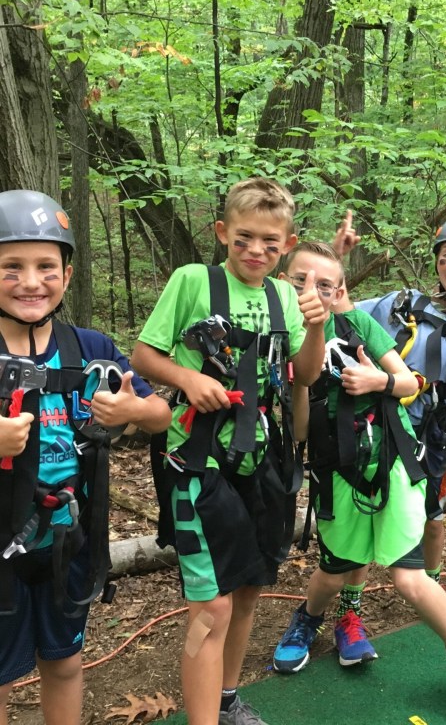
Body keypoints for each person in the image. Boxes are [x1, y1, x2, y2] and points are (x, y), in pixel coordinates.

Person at [273, 241, 446, 725]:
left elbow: (411, 382)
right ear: (281, 281)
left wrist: (378, 382)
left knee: (408, 578)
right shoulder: (275, 335)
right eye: (299, 281)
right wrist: (299, 386)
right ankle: (307, 622)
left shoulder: (358, 327)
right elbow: (300, 432)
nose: (311, 291)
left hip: (390, 463)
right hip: (335, 472)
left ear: (340, 291)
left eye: (325, 284)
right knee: (334, 570)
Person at [131, 178, 326, 725]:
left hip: (263, 460)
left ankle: (226, 699)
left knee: (247, 590)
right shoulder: (194, 280)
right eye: (243, 238)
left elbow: (305, 376)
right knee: (210, 606)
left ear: (287, 244)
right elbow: (144, 354)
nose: (255, 251)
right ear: (222, 233)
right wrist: (187, 378)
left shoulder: (286, 295)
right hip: (198, 462)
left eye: (269, 241)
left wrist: (318, 326)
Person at [0, 190, 171, 725]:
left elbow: (161, 414)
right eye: (12, 267)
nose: (31, 282)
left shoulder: (91, 348)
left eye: (46, 266)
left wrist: (131, 410)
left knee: (66, 664)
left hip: (67, 543)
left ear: (68, 275)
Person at [344, 217, 446, 651]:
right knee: (366, 519)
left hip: (431, 438)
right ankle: (348, 611)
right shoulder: (400, 304)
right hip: (376, 433)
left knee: (432, 520)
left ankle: (432, 590)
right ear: (435, 262)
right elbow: (344, 313)